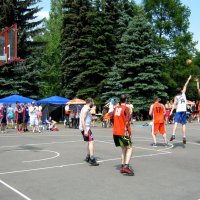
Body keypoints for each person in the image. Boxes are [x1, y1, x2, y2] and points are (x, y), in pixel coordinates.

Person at [111, 95, 134, 176]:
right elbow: (127, 120)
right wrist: (126, 129)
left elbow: (111, 117)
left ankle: (122, 165)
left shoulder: (116, 108)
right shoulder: (126, 108)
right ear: (126, 100)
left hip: (116, 131)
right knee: (130, 147)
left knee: (123, 148)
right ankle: (126, 167)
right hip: (123, 131)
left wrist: (116, 124)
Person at [170, 75, 192, 144]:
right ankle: (184, 136)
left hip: (178, 110)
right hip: (184, 110)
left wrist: (171, 111)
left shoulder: (176, 96)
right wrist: (188, 78)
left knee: (176, 123)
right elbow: (186, 84)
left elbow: (174, 104)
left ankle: (173, 135)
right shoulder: (183, 94)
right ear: (181, 90)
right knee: (183, 124)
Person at [79, 98, 99, 166]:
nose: (93, 103)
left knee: (89, 142)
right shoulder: (86, 109)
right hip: (86, 128)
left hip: (86, 128)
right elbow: (82, 120)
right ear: (90, 102)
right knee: (91, 142)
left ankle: (88, 157)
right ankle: (92, 159)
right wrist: (85, 130)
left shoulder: (86, 108)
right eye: (92, 102)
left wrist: (95, 118)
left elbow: (89, 118)